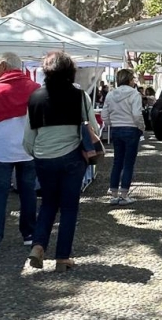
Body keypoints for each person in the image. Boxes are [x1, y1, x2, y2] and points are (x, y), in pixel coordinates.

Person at [24, 51, 98, 271]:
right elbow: (91, 126)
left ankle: (38, 246)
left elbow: (28, 138)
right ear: (70, 71)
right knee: (69, 208)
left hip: (44, 158)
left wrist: (37, 153)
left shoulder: (35, 97)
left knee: (47, 203)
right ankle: (62, 258)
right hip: (72, 158)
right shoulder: (79, 96)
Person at [0, 53, 40, 255]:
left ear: (3, 66)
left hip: (0, 150)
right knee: (28, 192)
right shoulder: (35, 89)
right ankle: (30, 235)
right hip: (28, 149)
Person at [101, 69, 144, 206]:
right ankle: (124, 194)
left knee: (117, 161)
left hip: (116, 128)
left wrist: (110, 124)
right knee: (128, 163)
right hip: (131, 128)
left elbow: (104, 114)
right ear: (130, 80)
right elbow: (137, 114)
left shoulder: (111, 94)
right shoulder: (134, 94)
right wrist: (141, 127)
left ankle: (113, 193)